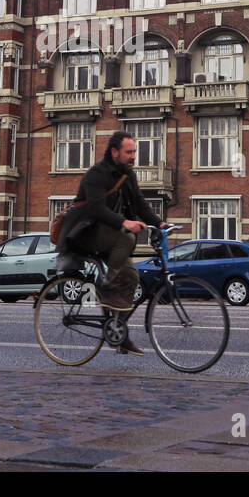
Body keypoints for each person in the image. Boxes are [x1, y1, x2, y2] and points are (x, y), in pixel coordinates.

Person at [62, 131, 169, 356]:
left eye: (134, 152)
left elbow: (140, 204)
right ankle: (106, 288)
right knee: (127, 237)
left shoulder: (128, 175)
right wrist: (125, 223)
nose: (133, 156)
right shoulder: (96, 174)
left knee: (132, 277)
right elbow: (96, 209)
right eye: (129, 152)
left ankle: (118, 333)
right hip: (85, 232)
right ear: (114, 152)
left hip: (108, 234)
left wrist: (159, 224)